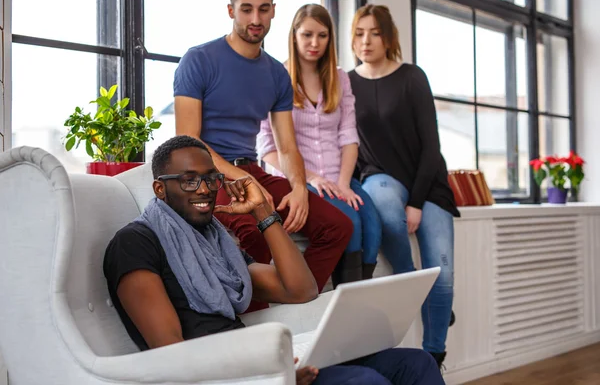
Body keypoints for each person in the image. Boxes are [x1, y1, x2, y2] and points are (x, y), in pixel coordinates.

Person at [103, 135, 445, 385]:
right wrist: (272, 375)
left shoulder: (214, 241)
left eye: (211, 178)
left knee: (415, 364)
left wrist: (263, 212)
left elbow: (300, 289)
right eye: (189, 180)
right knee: (365, 382)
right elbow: (172, 355)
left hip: (263, 363)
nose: (205, 189)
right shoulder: (135, 243)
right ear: (160, 189)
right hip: (237, 377)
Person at [173, 0, 352, 307]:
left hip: (251, 168)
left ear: (273, 10)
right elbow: (188, 141)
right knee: (255, 231)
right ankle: (256, 321)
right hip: (206, 174)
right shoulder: (198, 60)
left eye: (264, 9)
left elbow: (287, 146)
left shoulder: (276, 74)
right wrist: (242, 180)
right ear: (231, 11)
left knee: (337, 226)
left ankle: (295, 304)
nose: (256, 18)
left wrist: (299, 187)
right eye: (246, 9)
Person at [347, 4, 460, 368]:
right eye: (360, 32)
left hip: (427, 183)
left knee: (442, 275)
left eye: (375, 33)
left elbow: (431, 146)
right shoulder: (346, 82)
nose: (366, 41)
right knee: (382, 200)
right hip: (380, 177)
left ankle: (433, 357)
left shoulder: (412, 77)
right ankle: (416, 286)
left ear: (388, 37)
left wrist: (418, 201)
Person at [257, 4, 381, 286]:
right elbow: (267, 148)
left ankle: (360, 295)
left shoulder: (340, 78)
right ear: (294, 36)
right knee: (352, 227)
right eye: (307, 35)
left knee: (374, 227)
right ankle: (347, 299)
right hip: (303, 180)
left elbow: (348, 136)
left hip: (341, 177)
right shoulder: (276, 77)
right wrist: (310, 177)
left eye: (322, 36)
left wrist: (344, 183)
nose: (314, 43)